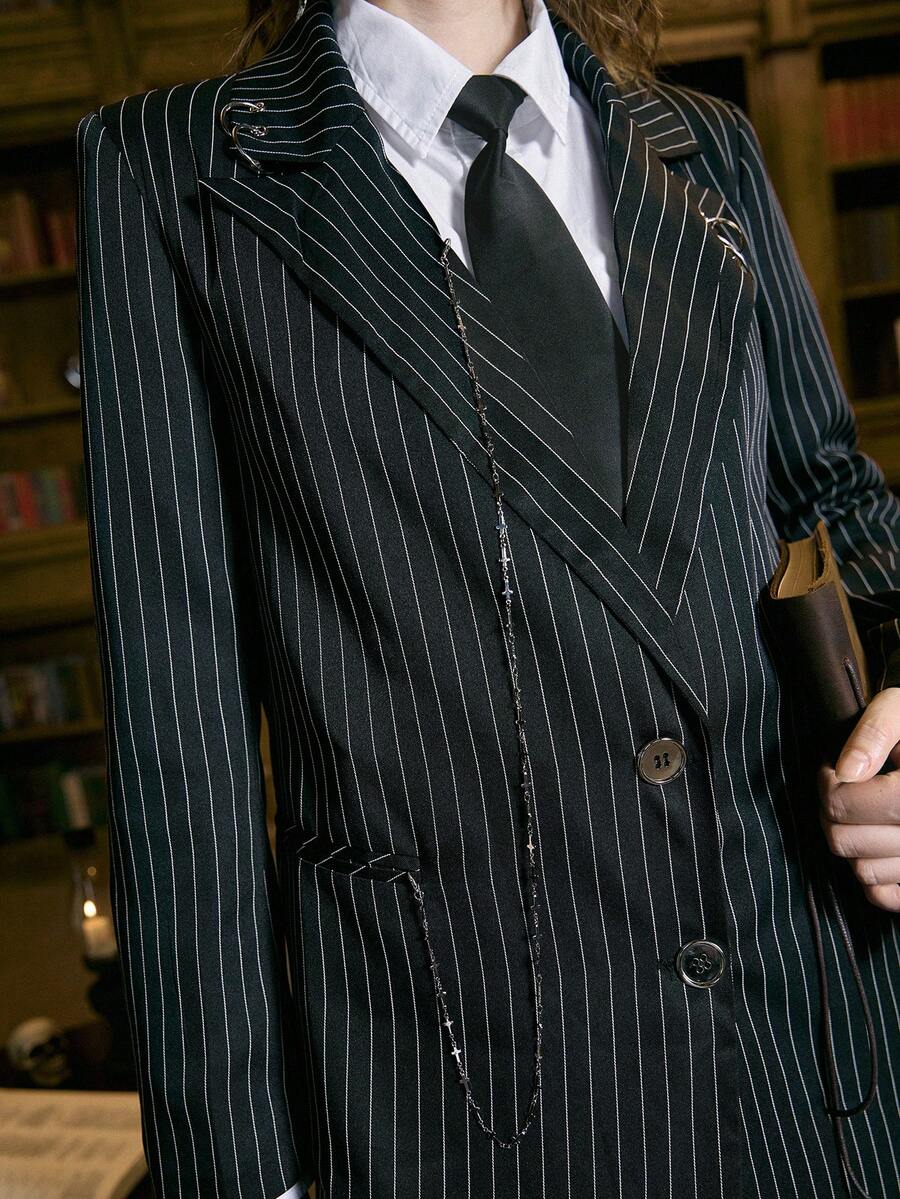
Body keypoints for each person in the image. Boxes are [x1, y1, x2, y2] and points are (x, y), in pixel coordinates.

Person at [74, 0, 900, 1195]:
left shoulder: (705, 144)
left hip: (819, 1054)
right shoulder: (169, 169)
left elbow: (833, 497)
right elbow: (175, 723)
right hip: (472, 1099)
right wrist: (236, 1174)